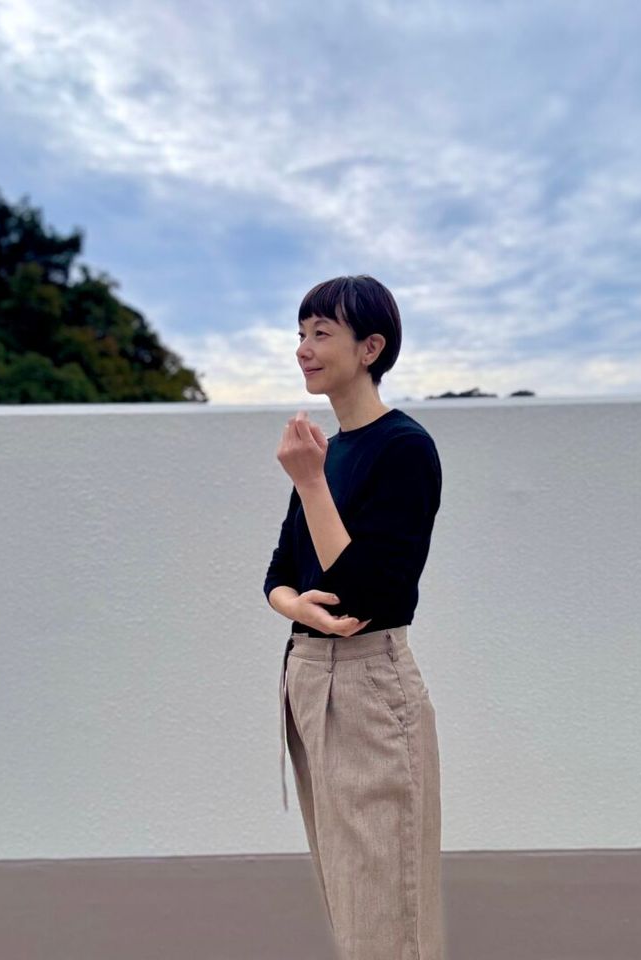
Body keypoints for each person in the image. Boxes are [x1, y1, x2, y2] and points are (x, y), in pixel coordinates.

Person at [263, 274, 446, 960]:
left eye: (321, 333)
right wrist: (298, 606)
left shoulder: (404, 448)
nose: (303, 348)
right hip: (311, 677)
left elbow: (366, 592)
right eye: (300, 334)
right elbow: (279, 575)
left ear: (370, 348)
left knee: (384, 907)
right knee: (351, 897)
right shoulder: (331, 447)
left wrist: (310, 482)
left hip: (368, 683)